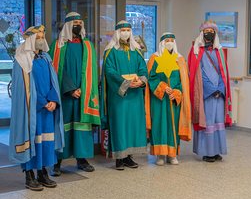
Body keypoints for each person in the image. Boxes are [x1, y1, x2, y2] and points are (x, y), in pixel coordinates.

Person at [9, 25, 64, 191]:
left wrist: (53, 100)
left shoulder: (46, 57)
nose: (41, 40)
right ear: (30, 39)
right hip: (32, 109)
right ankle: (29, 175)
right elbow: (24, 88)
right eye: (38, 37)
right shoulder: (22, 59)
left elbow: (52, 81)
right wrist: (42, 101)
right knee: (31, 139)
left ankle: (42, 172)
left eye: (42, 37)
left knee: (46, 141)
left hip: (47, 108)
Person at [48, 12, 100, 175]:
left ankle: (82, 160)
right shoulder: (57, 45)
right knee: (62, 127)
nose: (79, 25)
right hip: (65, 96)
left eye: (81, 22)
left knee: (82, 126)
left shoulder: (88, 45)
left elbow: (92, 71)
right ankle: (56, 163)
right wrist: (70, 89)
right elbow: (54, 70)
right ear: (68, 25)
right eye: (75, 22)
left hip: (83, 96)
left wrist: (83, 90)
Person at [101, 20, 148, 170]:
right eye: (123, 30)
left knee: (133, 125)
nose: (126, 33)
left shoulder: (137, 51)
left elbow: (143, 68)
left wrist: (141, 81)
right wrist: (127, 83)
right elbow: (110, 72)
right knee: (120, 125)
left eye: (128, 30)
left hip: (135, 96)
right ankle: (119, 159)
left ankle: (129, 157)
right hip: (119, 96)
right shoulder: (110, 52)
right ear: (117, 33)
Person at [188, 19, 232, 162]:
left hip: (219, 94)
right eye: (206, 32)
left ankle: (217, 151)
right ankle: (207, 152)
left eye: (211, 33)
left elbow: (223, 72)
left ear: (215, 34)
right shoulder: (195, 51)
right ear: (202, 33)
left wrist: (220, 88)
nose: (209, 35)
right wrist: (211, 89)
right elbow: (196, 73)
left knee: (218, 122)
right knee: (207, 122)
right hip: (205, 94)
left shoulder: (219, 51)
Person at [145, 33, 191, 165]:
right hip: (159, 99)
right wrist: (163, 87)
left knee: (173, 126)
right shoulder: (154, 58)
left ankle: (172, 154)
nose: (169, 42)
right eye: (167, 40)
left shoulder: (180, 59)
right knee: (159, 124)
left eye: (172, 40)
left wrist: (176, 93)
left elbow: (183, 81)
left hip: (173, 100)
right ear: (161, 43)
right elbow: (151, 78)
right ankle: (160, 154)